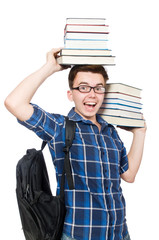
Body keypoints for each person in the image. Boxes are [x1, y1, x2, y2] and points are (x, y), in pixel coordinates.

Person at [5, 48, 146, 240]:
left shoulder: (110, 132)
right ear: (71, 94)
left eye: (98, 88)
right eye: (83, 87)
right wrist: (49, 67)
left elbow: (128, 175)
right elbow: (14, 103)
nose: (92, 94)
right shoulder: (60, 128)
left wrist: (140, 133)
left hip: (119, 234)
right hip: (79, 235)